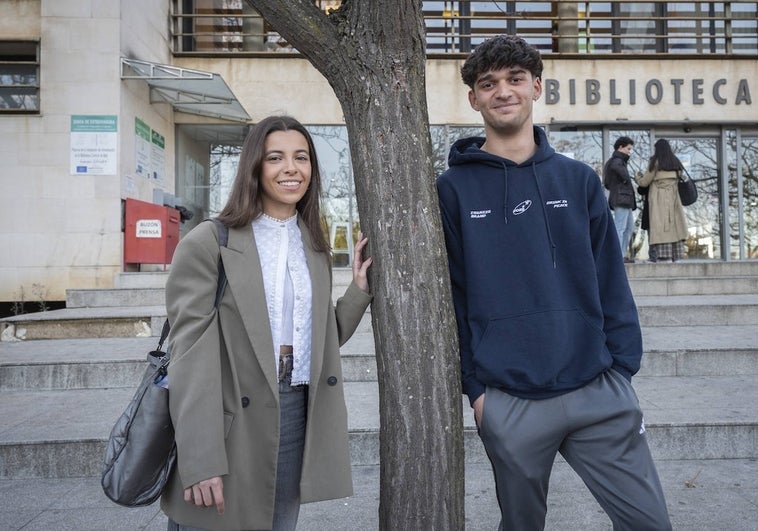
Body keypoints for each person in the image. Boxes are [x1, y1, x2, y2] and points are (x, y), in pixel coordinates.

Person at [436, 35, 671, 530]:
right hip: (508, 400)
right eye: (489, 83)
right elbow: (453, 296)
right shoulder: (452, 189)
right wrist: (478, 392)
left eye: (515, 79)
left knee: (650, 524)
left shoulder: (579, 180)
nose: (503, 91)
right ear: (473, 98)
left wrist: (622, 369)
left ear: (536, 87)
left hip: (597, 389)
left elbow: (610, 276)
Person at [161, 115, 373, 531]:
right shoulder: (209, 242)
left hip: (295, 406)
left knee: (278, 523)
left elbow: (318, 337)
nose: (291, 168)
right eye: (275, 157)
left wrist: (358, 292)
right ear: (254, 167)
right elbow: (188, 356)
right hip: (227, 413)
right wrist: (200, 456)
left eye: (302, 157)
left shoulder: (312, 244)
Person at [637, 139, 689, 263]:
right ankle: (676, 254)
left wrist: (637, 176)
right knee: (674, 225)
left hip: (658, 199)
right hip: (674, 199)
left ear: (657, 149)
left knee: (660, 225)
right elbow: (683, 177)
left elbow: (644, 182)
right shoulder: (675, 162)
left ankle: (661, 256)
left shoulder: (654, 162)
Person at [603, 136, 637, 263]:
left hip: (624, 199)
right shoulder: (617, 161)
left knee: (628, 228)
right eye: (628, 148)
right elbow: (622, 175)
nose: (629, 151)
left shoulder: (616, 161)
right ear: (620, 147)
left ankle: (621, 255)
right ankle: (617, 256)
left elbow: (607, 182)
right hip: (621, 198)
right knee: (620, 228)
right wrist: (625, 179)